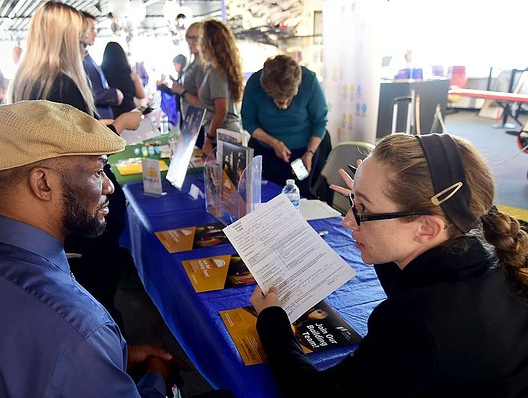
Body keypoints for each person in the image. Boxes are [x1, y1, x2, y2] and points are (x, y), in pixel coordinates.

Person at [250, 132, 528, 397]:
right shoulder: (485, 255)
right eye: (352, 203)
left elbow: (313, 393)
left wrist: (273, 320)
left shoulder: (413, 324)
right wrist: (369, 204)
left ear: (427, 228)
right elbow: (411, 281)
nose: (347, 221)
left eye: (362, 211)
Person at [0, 100, 190, 397]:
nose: (108, 186)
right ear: (43, 183)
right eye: (98, 171)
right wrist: (157, 378)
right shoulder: (79, 328)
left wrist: (106, 358)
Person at [8, 0, 141, 333]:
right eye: (81, 43)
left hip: (49, 207)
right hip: (76, 205)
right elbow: (79, 150)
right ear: (64, 41)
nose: (85, 50)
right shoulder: (62, 83)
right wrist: (121, 124)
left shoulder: (28, 80)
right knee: (98, 293)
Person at [241, 55, 328, 196]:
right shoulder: (254, 83)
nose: (283, 106)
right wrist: (274, 143)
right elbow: (248, 122)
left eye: (288, 98)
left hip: (304, 152)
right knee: (265, 195)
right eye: (276, 99)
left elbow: (320, 121)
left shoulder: (309, 81)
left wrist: (309, 153)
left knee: (301, 195)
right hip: (265, 150)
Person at [196, 19, 244, 155]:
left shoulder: (217, 72)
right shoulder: (224, 69)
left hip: (222, 138)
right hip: (228, 135)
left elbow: (221, 109)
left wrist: (209, 139)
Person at [82, 11, 124, 121]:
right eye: (92, 29)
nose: (95, 33)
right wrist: (114, 94)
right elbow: (90, 93)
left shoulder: (87, 57)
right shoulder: (79, 59)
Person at [171, 21, 206, 136]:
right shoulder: (192, 63)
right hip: (190, 120)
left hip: (199, 123)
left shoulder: (203, 66)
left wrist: (182, 91)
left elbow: (202, 103)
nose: (191, 42)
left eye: (195, 38)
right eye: (188, 38)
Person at [101, 41, 146, 118]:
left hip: (111, 115)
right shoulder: (131, 74)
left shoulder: (102, 73)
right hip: (129, 114)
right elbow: (141, 95)